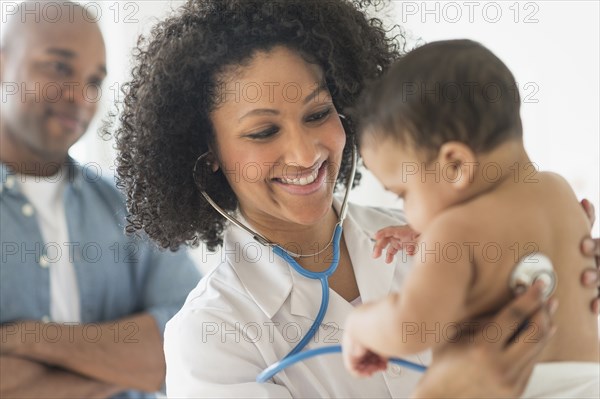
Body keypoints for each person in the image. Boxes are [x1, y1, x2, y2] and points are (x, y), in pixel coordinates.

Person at [111, 0, 600, 397]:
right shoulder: (211, 336)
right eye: (263, 131)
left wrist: (564, 273)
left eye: (318, 112)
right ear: (208, 151)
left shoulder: (442, 232)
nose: (304, 153)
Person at [341, 40, 599, 398]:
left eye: (403, 193)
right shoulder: (558, 191)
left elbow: (412, 327)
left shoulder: (454, 230)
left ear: (456, 166)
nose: (407, 210)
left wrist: (359, 326)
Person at [0, 2, 201, 398]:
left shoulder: (132, 208)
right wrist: (129, 364)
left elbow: (193, 341)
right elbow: (159, 359)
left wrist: (30, 340)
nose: (80, 97)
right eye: (59, 67)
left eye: (94, 81)